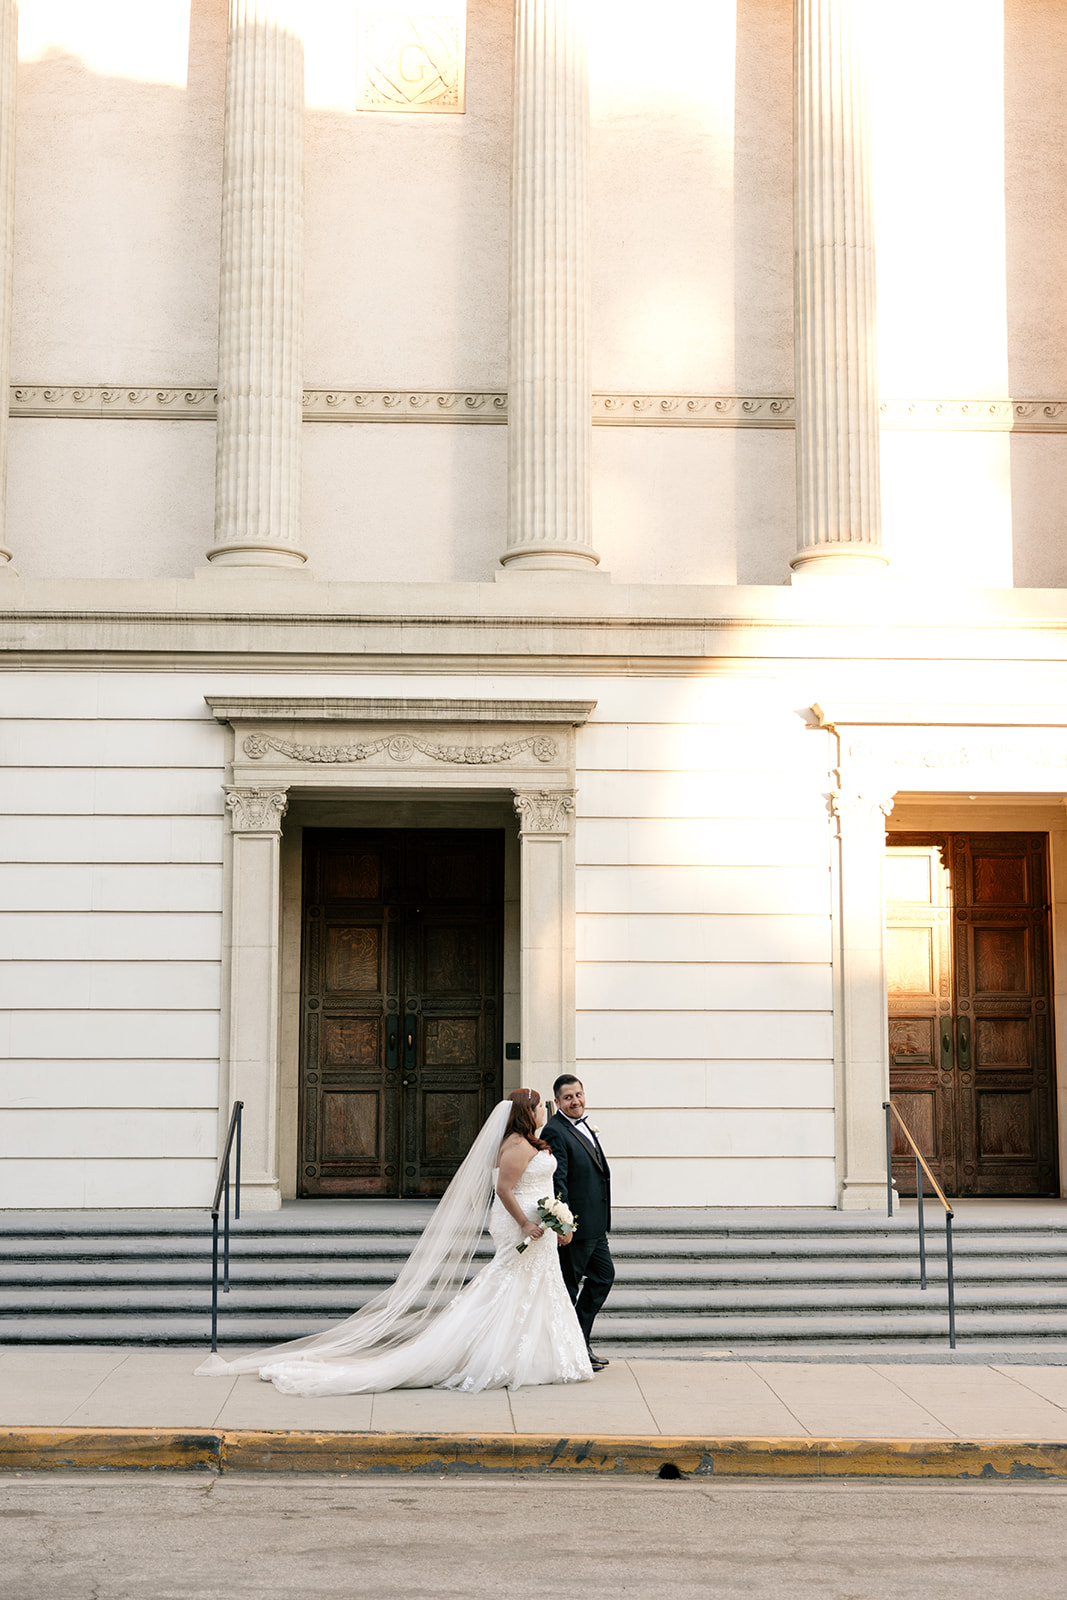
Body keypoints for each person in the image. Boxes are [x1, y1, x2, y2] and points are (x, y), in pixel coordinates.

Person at [195, 1090, 592, 1395]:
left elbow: (534, 1185)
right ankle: (490, 1355)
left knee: (533, 1287)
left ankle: (538, 1357)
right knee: (507, 1286)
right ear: (528, 1112)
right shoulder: (518, 1146)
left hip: (537, 1221)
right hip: (522, 1224)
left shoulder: (530, 1142)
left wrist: (554, 1217)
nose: (545, 1111)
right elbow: (504, 1189)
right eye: (540, 1106)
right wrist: (525, 1222)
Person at [540, 1075, 614, 1371]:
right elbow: (558, 1179)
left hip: (596, 1226)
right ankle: (566, 1352)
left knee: (603, 1277)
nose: (576, 1101)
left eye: (579, 1095)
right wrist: (563, 1224)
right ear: (557, 1102)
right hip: (576, 1227)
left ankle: (579, 1341)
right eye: (568, 1097)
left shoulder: (583, 1125)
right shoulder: (555, 1131)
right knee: (569, 1288)